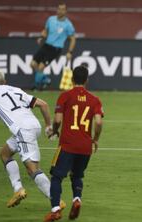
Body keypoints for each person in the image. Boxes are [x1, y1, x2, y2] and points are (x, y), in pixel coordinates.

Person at [0, 70, 65, 208]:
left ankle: (56, 200)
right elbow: (43, 104)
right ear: (4, 81)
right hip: (33, 126)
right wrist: (48, 126)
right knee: (5, 154)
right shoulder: (16, 90)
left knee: (32, 169)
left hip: (23, 130)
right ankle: (18, 189)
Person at [44, 65, 104, 221]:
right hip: (85, 147)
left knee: (57, 177)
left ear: (72, 79)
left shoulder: (65, 96)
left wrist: (55, 130)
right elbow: (98, 122)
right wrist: (95, 139)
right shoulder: (95, 99)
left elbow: (57, 119)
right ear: (87, 80)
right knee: (77, 176)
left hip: (67, 144)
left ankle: (56, 209)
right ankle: (77, 199)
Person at [31, 2, 76, 90]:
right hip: (46, 45)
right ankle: (46, 79)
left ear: (66, 11)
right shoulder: (51, 19)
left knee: (40, 67)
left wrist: (70, 52)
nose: (60, 11)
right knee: (33, 64)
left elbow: (73, 39)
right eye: (59, 9)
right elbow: (45, 31)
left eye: (62, 9)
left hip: (56, 48)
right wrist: (41, 37)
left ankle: (35, 87)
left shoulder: (68, 25)